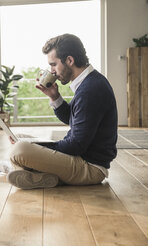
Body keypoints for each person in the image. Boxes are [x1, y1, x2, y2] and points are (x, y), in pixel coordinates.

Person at [7, 33, 118, 190]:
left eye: (53, 64)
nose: (52, 71)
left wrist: (37, 146)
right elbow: (72, 118)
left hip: (90, 168)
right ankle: (45, 178)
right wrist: (54, 96)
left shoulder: (91, 89)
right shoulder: (88, 83)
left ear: (70, 60)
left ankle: (28, 171)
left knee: (19, 149)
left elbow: (75, 146)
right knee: (21, 139)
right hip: (80, 159)